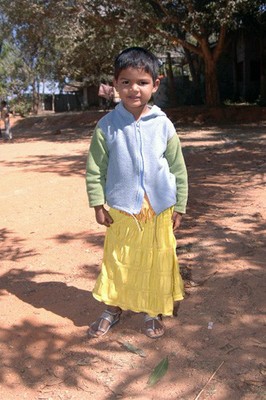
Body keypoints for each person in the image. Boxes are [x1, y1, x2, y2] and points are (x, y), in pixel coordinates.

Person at [86, 47, 188, 339]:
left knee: (156, 261)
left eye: (142, 82)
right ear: (115, 84)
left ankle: (151, 311)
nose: (134, 89)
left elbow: (178, 168)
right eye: (126, 82)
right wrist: (97, 204)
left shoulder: (164, 124)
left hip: (158, 209)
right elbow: (95, 169)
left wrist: (179, 204)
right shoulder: (106, 127)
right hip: (123, 210)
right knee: (119, 260)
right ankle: (112, 308)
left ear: (155, 84)